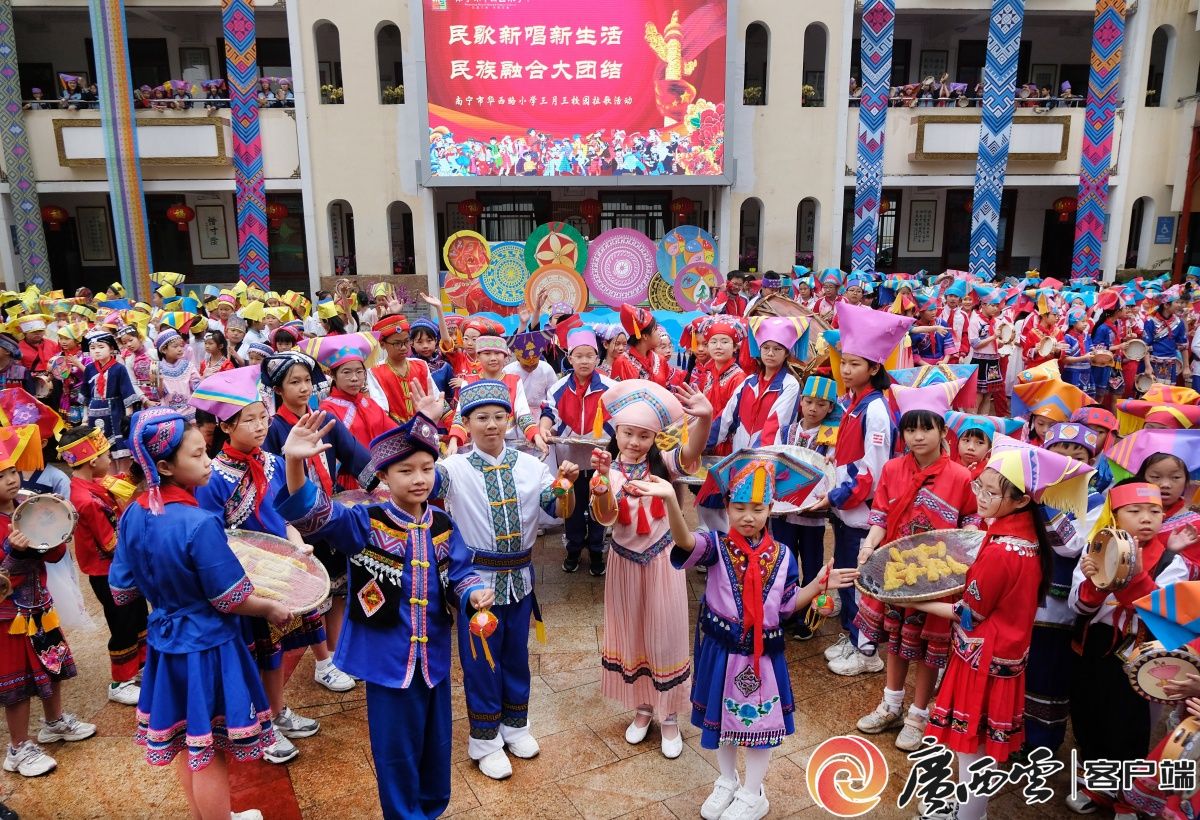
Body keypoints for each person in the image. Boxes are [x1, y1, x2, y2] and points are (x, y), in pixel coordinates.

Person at [276, 407, 485, 818]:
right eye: (406, 471)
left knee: (437, 744)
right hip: (387, 663)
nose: (419, 478)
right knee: (396, 752)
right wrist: (295, 462)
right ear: (384, 476)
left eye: (427, 468)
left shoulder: (443, 524)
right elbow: (315, 514)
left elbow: (461, 573)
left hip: (434, 661)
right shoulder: (365, 522)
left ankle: (431, 809)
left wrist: (474, 593)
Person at [633, 449, 858, 820]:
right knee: (722, 722)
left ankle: (754, 792)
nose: (748, 516)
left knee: (759, 723)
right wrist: (673, 500)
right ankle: (727, 780)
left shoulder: (783, 556)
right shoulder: (715, 547)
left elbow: (786, 606)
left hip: (762, 656)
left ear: (771, 508)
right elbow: (685, 542)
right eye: (739, 507)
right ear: (726, 507)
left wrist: (818, 585)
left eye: (757, 508)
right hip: (721, 649)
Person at [108, 408, 290, 819]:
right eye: (196, 455)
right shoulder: (199, 522)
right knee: (210, 752)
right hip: (208, 646)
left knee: (189, 743)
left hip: (165, 641)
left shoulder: (134, 512)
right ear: (164, 467)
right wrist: (271, 608)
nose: (208, 461)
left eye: (205, 451)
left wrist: (166, 593)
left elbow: (122, 591)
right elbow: (230, 598)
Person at [912, 438, 1093, 820]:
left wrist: (913, 601)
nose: (980, 495)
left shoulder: (1001, 551)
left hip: (982, 660)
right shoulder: (1027, 538)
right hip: (1006, 655)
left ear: (1022, 500)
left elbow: (968, 615)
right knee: (979, 743)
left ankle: (968, 815)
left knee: (971, 746)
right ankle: (970, 810)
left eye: (991, 492)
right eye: (979, 485)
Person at [189, 367, 344, 766]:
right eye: (250, 420)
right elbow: (215, 538)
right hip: (246, 581)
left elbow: (285, 514)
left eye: (264, 417)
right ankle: (260, 725)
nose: (260, 426)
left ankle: (277, 711)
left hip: (282, 572)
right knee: (256, 655)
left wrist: (297, 543)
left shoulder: (274, 463)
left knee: (276, 652)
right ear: (226, 426)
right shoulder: (212, 478)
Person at [433, 380, 577, 780]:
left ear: (510, 421)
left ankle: (515, 727)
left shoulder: (532, 466)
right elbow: (422, 484)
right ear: (466, 424)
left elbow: (558, 508)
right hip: (476, 583)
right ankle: (484, 741)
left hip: (521, 581)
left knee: (516, 656)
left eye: (499, 417)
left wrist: (566, 484)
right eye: (481, 418)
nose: (492, 424)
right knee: (481, 662)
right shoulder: (453, 469)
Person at [588, 380, 712, 757]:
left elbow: (691, 452)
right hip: (624, 563)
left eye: (644, 435)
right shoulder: (608, 470)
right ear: (616, 432)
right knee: (633, 634)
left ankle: (669, 714)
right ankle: (642, 707)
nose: (635, 442)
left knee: (667, 634)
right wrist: (600, 487)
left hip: (663, 561)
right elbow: (606, 518)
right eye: (628, 433)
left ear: (655, 437)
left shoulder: (665, 464)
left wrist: (705, 419)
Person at [853, 387, 980, 751]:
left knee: (929, 649)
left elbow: (970, 525)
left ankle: (919, 714)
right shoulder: (893, 469)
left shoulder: (961, 477)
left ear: (943, 431)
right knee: (896, 642)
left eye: (926, 428)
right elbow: (880, 516)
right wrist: (868, 546)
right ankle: (891, 704)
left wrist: (964, 559)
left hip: (939, 579)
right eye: (910, 429)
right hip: (897, 571)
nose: (918, 437)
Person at [1068, 480, 1198, 814]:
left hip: (1140, 650)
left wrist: (1136, 578)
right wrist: (1094, 585)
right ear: (1114, 515)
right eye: (1134, 510)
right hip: (1096, 645)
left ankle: (1127, 800)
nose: (1146, 518)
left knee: (1129, 726)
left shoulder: (1171, 559)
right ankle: (1098, 785)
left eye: (1154, 511)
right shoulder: (1096, 547)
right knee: (1090, 714)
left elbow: (1161, 615)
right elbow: (1078, 606)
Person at [822, 301, 914, 676]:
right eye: (844, 362)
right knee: (847, 574)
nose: (845, 370)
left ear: (874, 368)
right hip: (848, 508)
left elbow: (872, 472)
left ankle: (867, 651)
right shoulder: (856, 402)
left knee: (859, 579)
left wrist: (835, 496)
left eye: (854, 364)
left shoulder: (874, 408)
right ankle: (853, 636)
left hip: (862, 511)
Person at [261, 351, 370, 656]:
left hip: (329, 513)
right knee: (313, 594)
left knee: (339, 589)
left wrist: (384, 486)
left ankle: (336, 653)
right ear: (278, 389)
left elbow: (355, 455)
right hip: (297, 523)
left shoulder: (325, 419)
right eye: (294, 382)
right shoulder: (273, 429)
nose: (304, 387)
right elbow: (272, 482)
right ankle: (324, 659)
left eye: (307, 380)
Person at [57, 426, 147, 707]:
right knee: (123, 623)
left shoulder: (94, 483)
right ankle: (121, 682)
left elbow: (124, 483)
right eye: (107, 454)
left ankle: (141, 667)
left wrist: (141, 466)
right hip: (108, 573)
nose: (110, 458)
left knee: (138, 616)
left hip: (120, 568)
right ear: (93, 460)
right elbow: (111, 544)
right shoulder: (86, 500)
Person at [540, 328, 616, 574]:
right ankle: (573, 549)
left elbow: (620, 417)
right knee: (569, 507)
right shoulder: (558, 387)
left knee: (598, 505)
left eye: (589, 356)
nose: (584, 361)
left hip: (599, 462)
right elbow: (548, 413)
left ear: (597, 358)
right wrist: (544, 428)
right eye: (579, 356)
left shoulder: (611, 387)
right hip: (569, 462)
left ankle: (596, 551)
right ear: (569, 358)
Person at [771, 376, 840, 640]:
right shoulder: (785, 431)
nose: (813, 408)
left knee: (812, 565)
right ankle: (785, 610)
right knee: (783, 562)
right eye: (809, 402)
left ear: (830, 407)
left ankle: (808, 618)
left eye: (821, 404)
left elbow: (830, 472)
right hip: (783, 510)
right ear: (800, 401)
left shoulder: (831, 436)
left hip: (813, 513)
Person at [446, 336, 547, 455]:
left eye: (498, 353)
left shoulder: (514, 381)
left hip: (510, 443)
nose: (493, 358)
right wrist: (454, 441)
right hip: (479, 443)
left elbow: (522, 412)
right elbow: (461, 414)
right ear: (478, 356)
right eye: (487, 354)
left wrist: (535, 436)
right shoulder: (469, 382)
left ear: (505, 356)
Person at [710, 317, 799, 451]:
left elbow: (775, 426)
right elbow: (725, 419)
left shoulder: (790, 385)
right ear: (759, 349)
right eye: (766, 348)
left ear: (786, 353)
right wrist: (700, 446)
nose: (770, 353)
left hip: (765, 458)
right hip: (739, 455)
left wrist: (754, 459)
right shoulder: (749, 382)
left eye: (777, 349)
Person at [314, 332, 392, 454]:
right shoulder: (327, 410)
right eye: (346, 372)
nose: (354, 378)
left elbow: (393, 433)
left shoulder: (369, 403)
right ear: (332, 375)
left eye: (359, 372)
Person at [367, 315, 436, 426]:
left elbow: (436, 399)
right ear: (382, 344)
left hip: (425, 427)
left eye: (406, 341)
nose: (403, 347)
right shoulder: (375, 372)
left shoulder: (421, 365)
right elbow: (381, 411)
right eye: (397, 343)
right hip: (394, 431)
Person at [82, 329, 138, 438]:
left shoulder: (119, 368)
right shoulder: (89, 369)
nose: (97, 351)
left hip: (115, 411)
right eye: (92, 348)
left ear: (111, 348)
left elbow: (127, 394)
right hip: (93, 412)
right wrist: (85, 418)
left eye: (101, 347)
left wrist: (128, 418)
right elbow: (86, 394)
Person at [609, 305, 671, 386]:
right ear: (645, 336)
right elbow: (618, 392)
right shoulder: (621, 363)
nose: (659, 332)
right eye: (656, 329)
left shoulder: (660, 360)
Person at [154, 330, 200, 416]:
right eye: (175, 346)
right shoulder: (155, 367)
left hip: (190, 413)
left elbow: (197, 388)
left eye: (181, 346)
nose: (180, 349)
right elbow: (157, 396)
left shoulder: (189, 365)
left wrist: (204, 377)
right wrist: (159, 382)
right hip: (168, 415)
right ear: (164, 350)